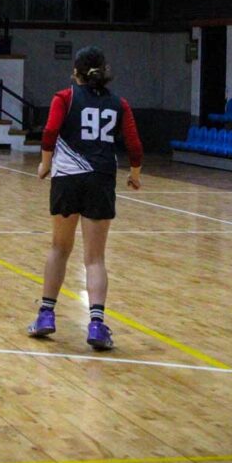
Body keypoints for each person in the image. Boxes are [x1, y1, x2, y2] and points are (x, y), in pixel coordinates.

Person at [28, 46, 143, 350]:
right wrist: (135, 173)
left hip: (67, 179)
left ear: (74, 73)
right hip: (101, 179)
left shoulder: (64, 98)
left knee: (59, 248)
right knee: (95, 258)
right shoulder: (120, 103)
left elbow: (50, 131)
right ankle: (96, 324)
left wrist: (44, 163)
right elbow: (134, 143)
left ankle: (46, 315)